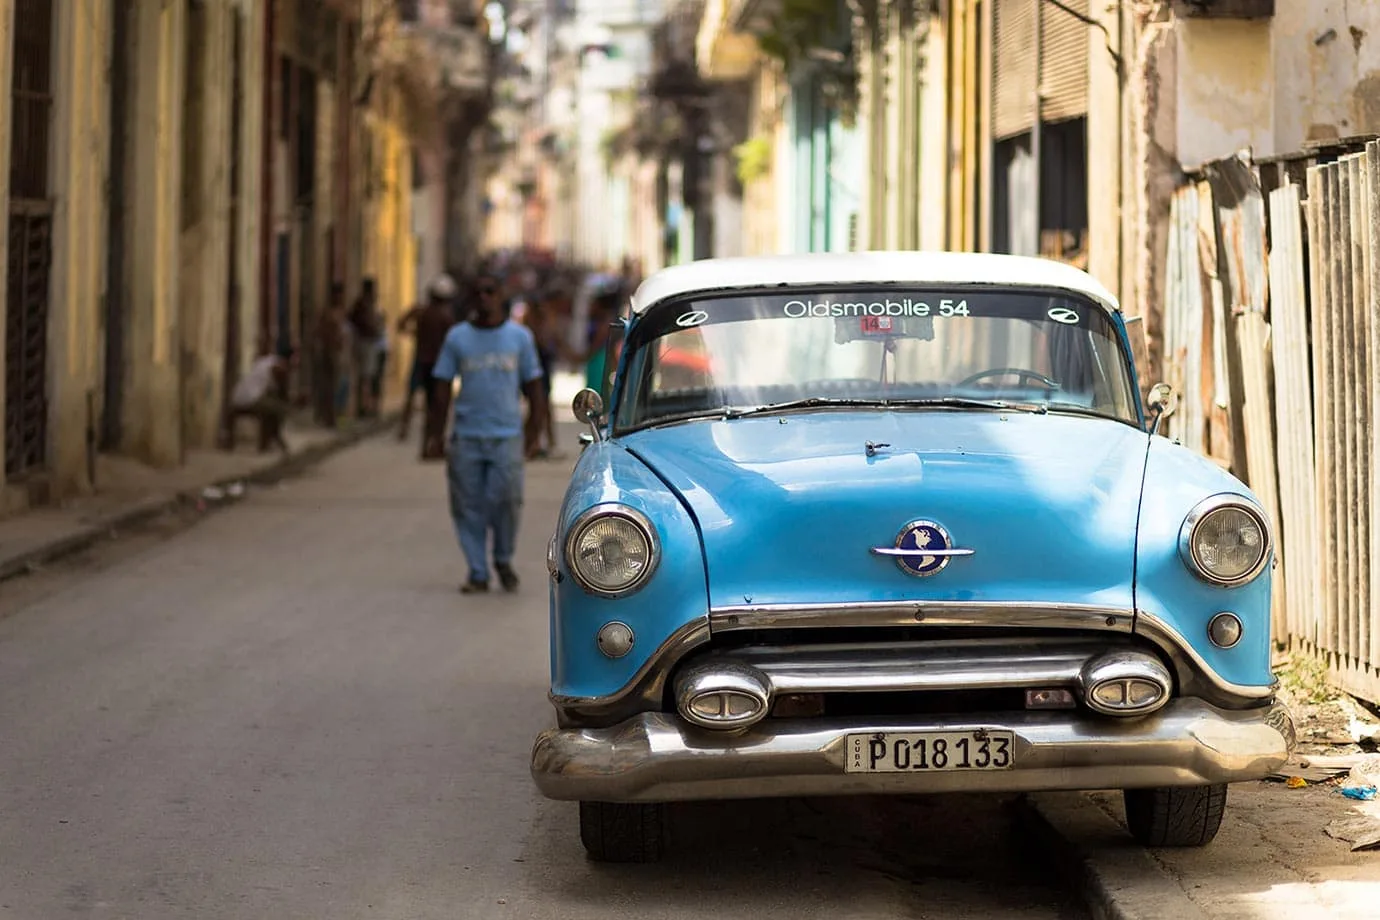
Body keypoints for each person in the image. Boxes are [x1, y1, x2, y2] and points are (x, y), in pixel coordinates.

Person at [431, 274, 550, 594]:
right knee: (467, 505)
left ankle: (502, 557)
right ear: (471, 298)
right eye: (478, 292)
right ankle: (478, 570)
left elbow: (534, 387)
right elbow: (442, 386)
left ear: (500, 296)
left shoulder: (519, 337)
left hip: (507, 436)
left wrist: (534, 431)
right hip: (467, 437)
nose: (484, 297)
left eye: (490, 291)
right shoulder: (458, 338)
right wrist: (435, 433)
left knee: (508, 500)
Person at [397, 273, 459, 457]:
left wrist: (414, 333)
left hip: (422, 360)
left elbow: (401, 324)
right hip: (437, 365)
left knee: (416, 397)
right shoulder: (445, 317)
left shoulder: (422, 312)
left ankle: (417, 437)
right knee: (437, 405)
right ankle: (434, 442)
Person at [230, 344, 294, 455]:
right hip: (250, 398)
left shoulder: (267, 361)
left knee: (272, 408)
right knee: (278, 410)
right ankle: (272, 441)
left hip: (239, 396)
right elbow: (281, 390)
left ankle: (270, 440)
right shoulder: (278, 366)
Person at [315, 283, 348, 428]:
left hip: (338, 353)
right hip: (329, 353)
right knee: (330, 387)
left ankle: (335, 417)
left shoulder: (341, 312)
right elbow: (321, 332)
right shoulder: (328, 313)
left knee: (338, 386)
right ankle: (328, 417)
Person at [349, 277, 383, 417]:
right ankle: (363, 407)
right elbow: (356, 320)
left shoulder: (368, 304)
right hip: (365, 343)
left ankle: (366, 406)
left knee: (368, 376)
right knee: (365, 377)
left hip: (369, 343)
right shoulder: (363, 304)